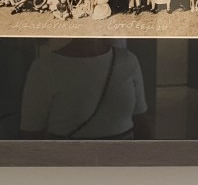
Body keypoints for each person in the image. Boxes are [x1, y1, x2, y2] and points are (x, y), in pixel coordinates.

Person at [20, 39, 152, 140]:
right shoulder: (45, 68)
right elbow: (31, 135)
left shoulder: (128, 61)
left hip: (122, 162)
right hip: (71, 163)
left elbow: (141, 121)